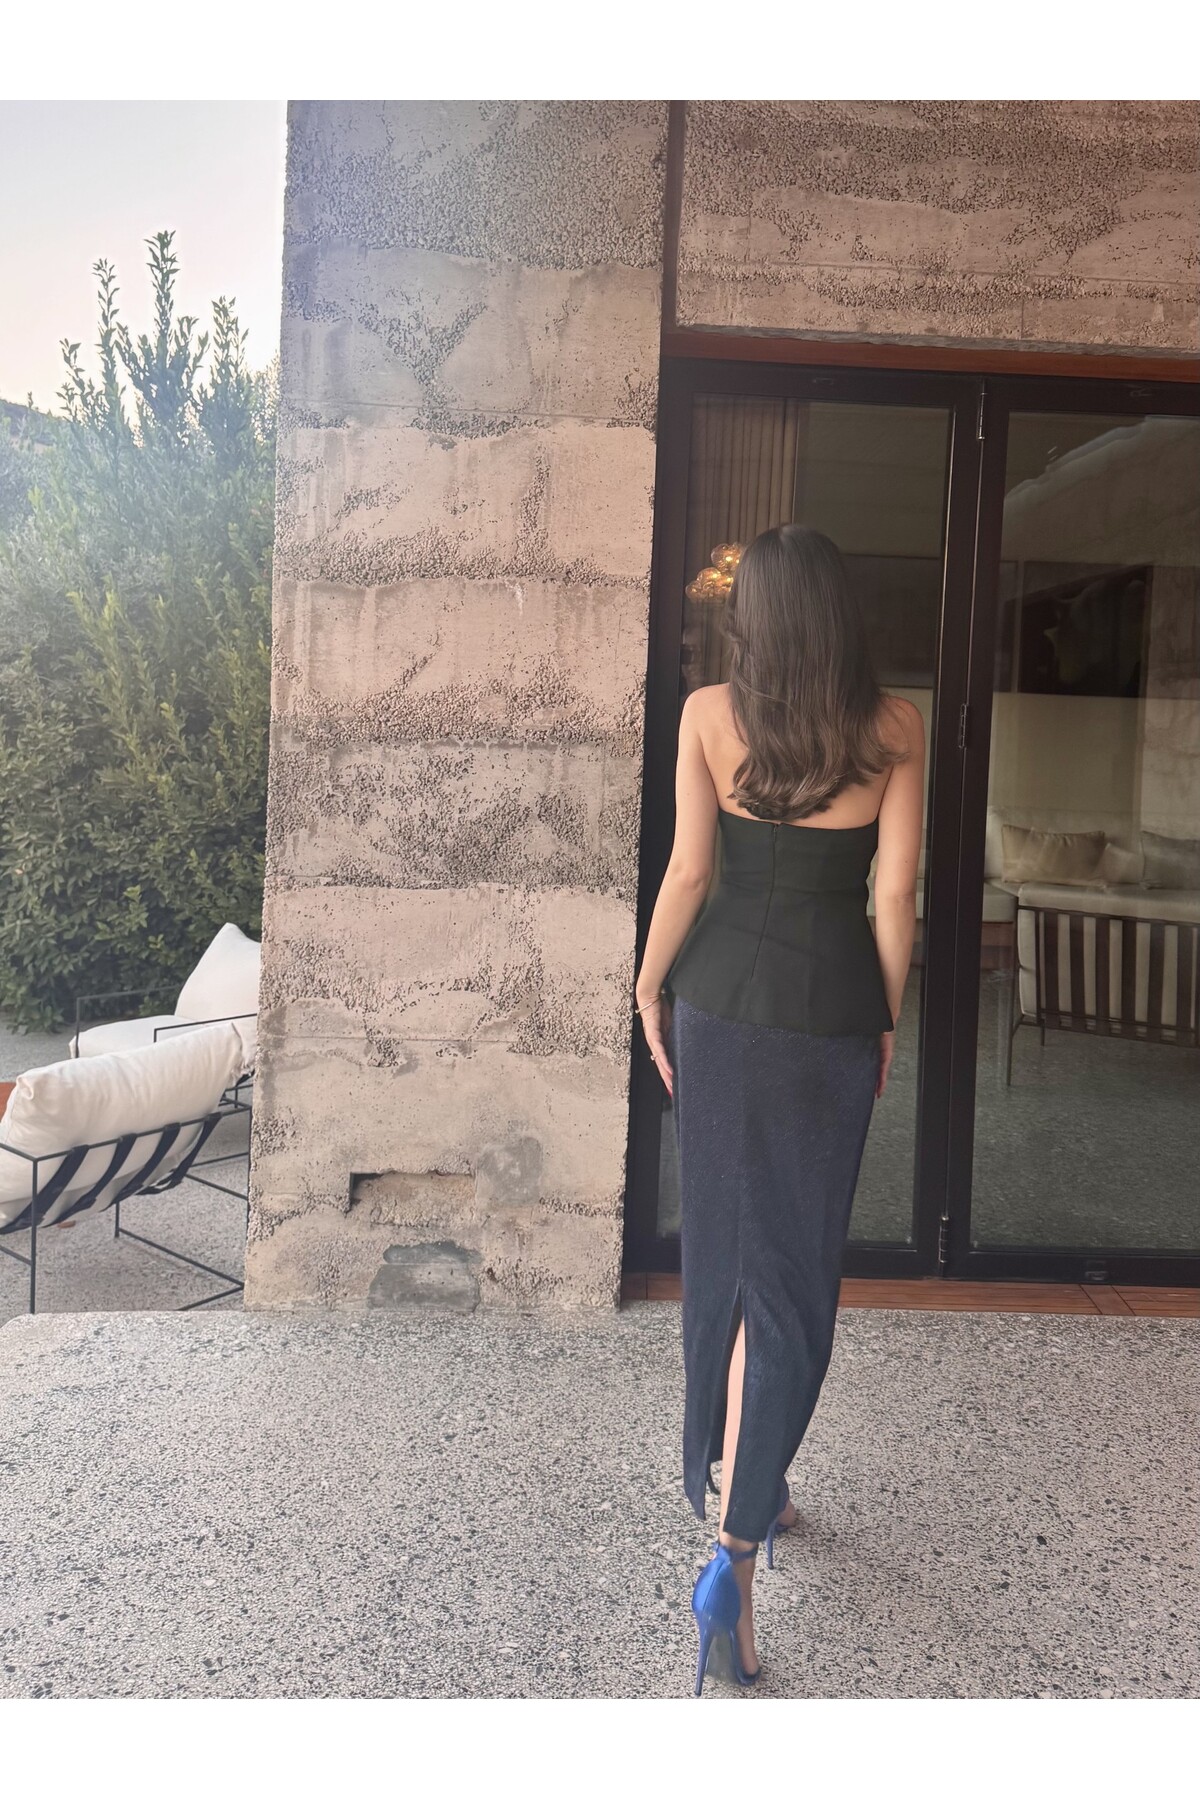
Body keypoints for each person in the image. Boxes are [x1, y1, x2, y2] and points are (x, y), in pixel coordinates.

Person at [633, 523, 924, 1695]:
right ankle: (739, 1546)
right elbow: (894, 895)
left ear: (749, 617)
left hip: (718, 1007)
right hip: (827, 1019)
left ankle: (744, 1495)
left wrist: (649, 982)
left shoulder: (709, 714)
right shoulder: (893, 728)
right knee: (793, 1275)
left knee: (729, 1261)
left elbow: (690, 872)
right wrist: (882, 1014)